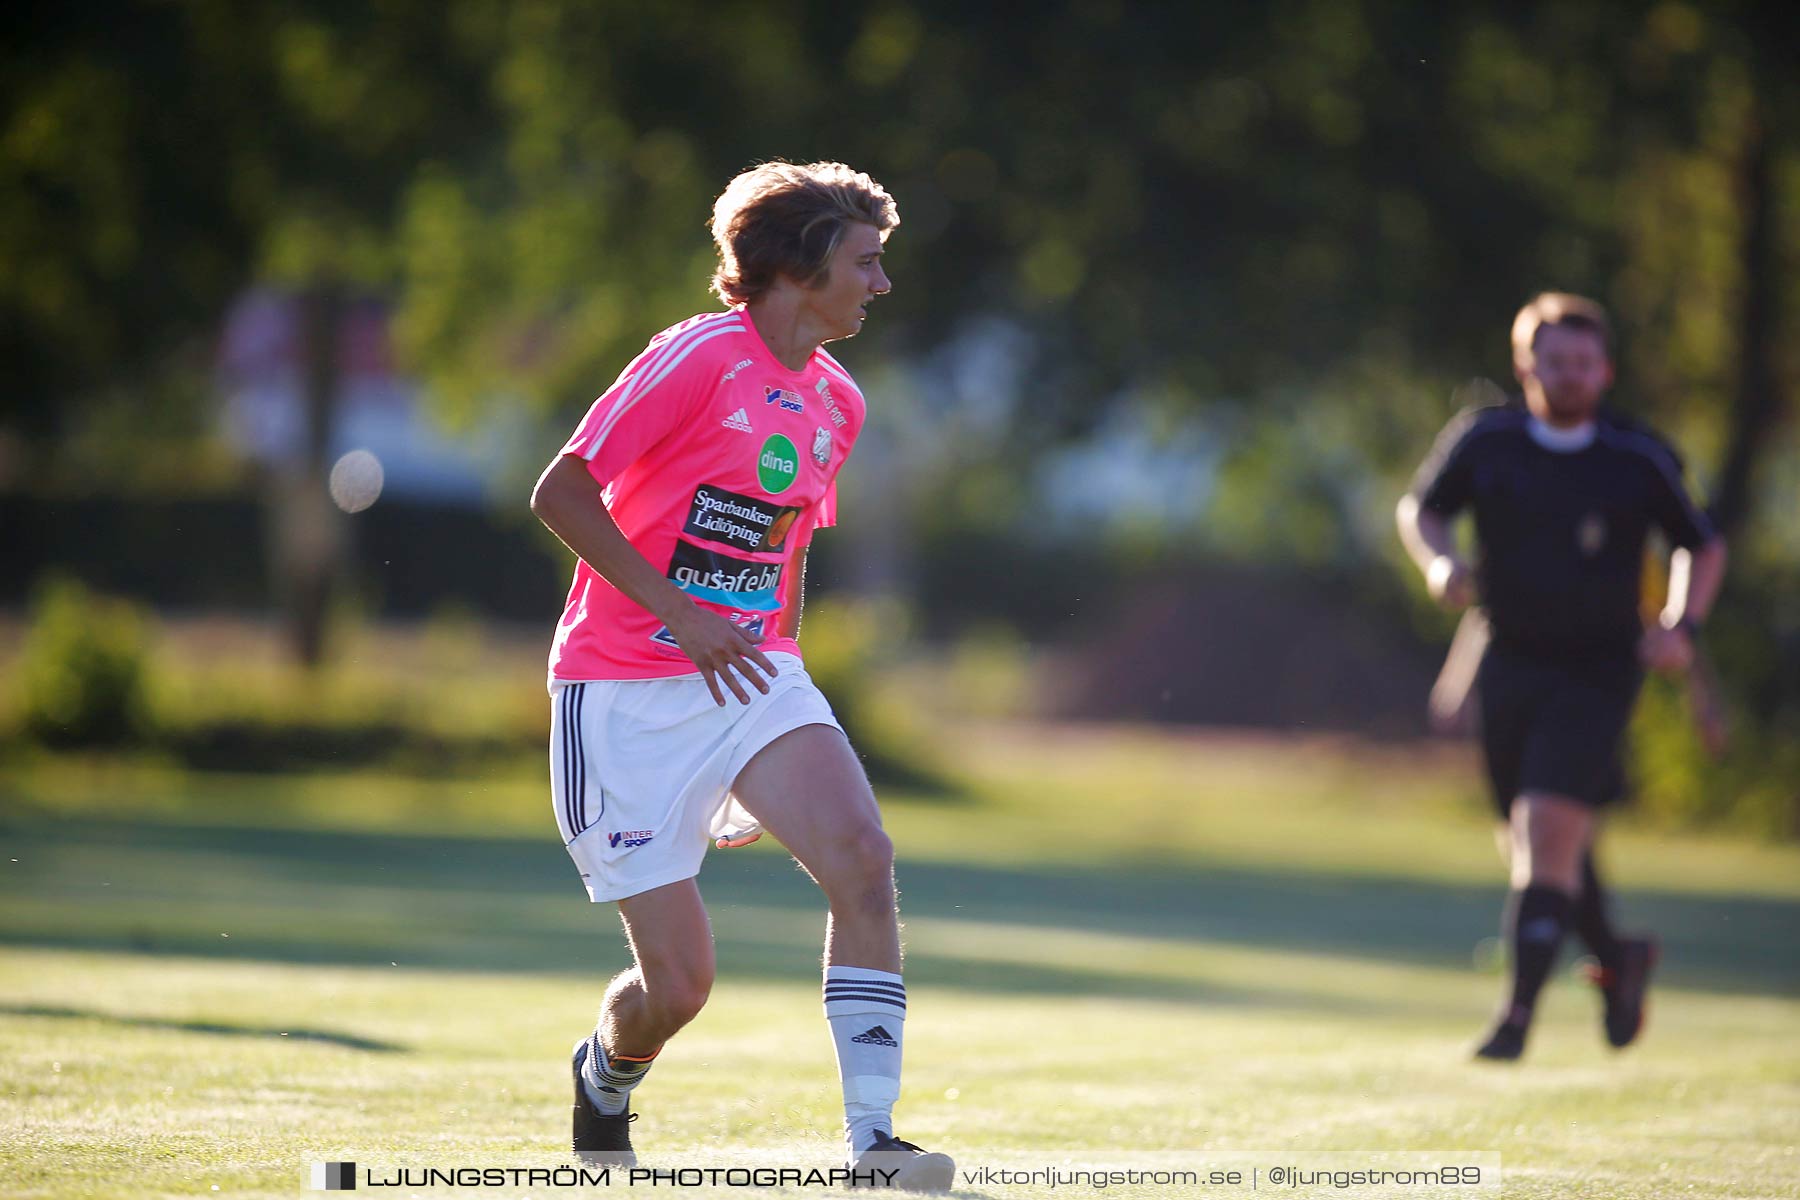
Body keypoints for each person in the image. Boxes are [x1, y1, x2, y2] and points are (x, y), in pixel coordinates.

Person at [529, 161, 953, 1189]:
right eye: (866, 263)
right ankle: (604, 1077)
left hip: (754, 681)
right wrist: (679, 613)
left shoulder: (839, 402)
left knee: (862, 855)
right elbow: (561, 492)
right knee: (679, 989)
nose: (880, 286)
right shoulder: (695, 358)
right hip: (622, 692)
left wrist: (772, 724)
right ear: (803, 267)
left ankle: (874, 1147)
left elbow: (787, 552)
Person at [1396, 293, 1728, 1061]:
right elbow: (1422, 509)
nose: (1571, 376)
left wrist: (1683, 625)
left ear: (1604, 369)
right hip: (1510, 660)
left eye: (1584, 363)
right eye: (1555, 362)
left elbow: (1700, 545)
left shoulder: (1634, 457)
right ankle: (1619, 957)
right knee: (1537, 842)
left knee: (1547, 829)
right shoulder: (1488, 441)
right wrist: (1439, 562)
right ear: (1527, 367)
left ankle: (1514, 1021)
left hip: (1599, 668)